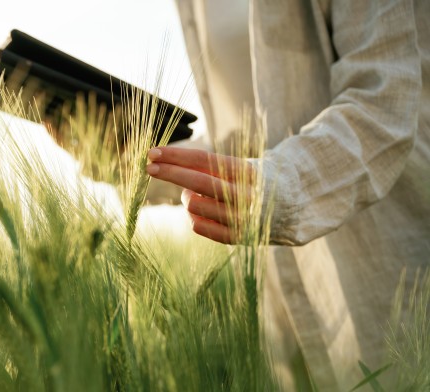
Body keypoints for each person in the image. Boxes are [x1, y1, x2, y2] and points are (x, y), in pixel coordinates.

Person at [145, 0, 430, 390]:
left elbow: (385, 98)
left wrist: (277, 188)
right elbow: (247, 138)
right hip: (280, 286)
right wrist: (127, 157)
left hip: (384, 252)